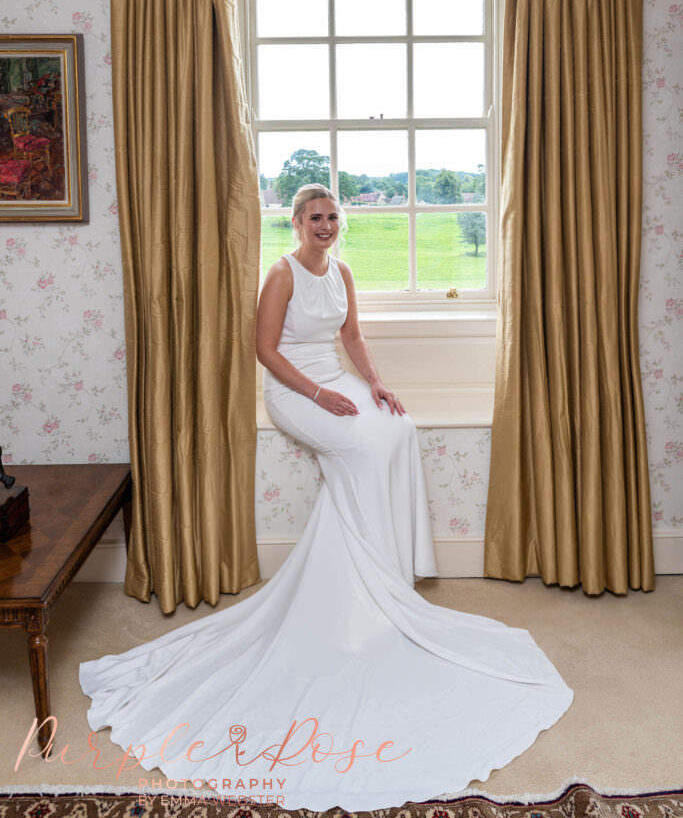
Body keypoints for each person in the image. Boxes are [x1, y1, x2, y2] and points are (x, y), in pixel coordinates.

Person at [79, 183, 573, 811]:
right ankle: (361, 588)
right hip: (294, 392)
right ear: (296, 221)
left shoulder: (341, 270)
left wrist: (375, 384)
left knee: (397, 428)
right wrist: (319, 396)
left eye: (334, 216)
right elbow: (264, 352)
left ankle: (387, 573)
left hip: (337, 379)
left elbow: (355, 337)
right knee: (364, 449)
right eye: (316, 216)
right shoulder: (282, 275)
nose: (327, 225)